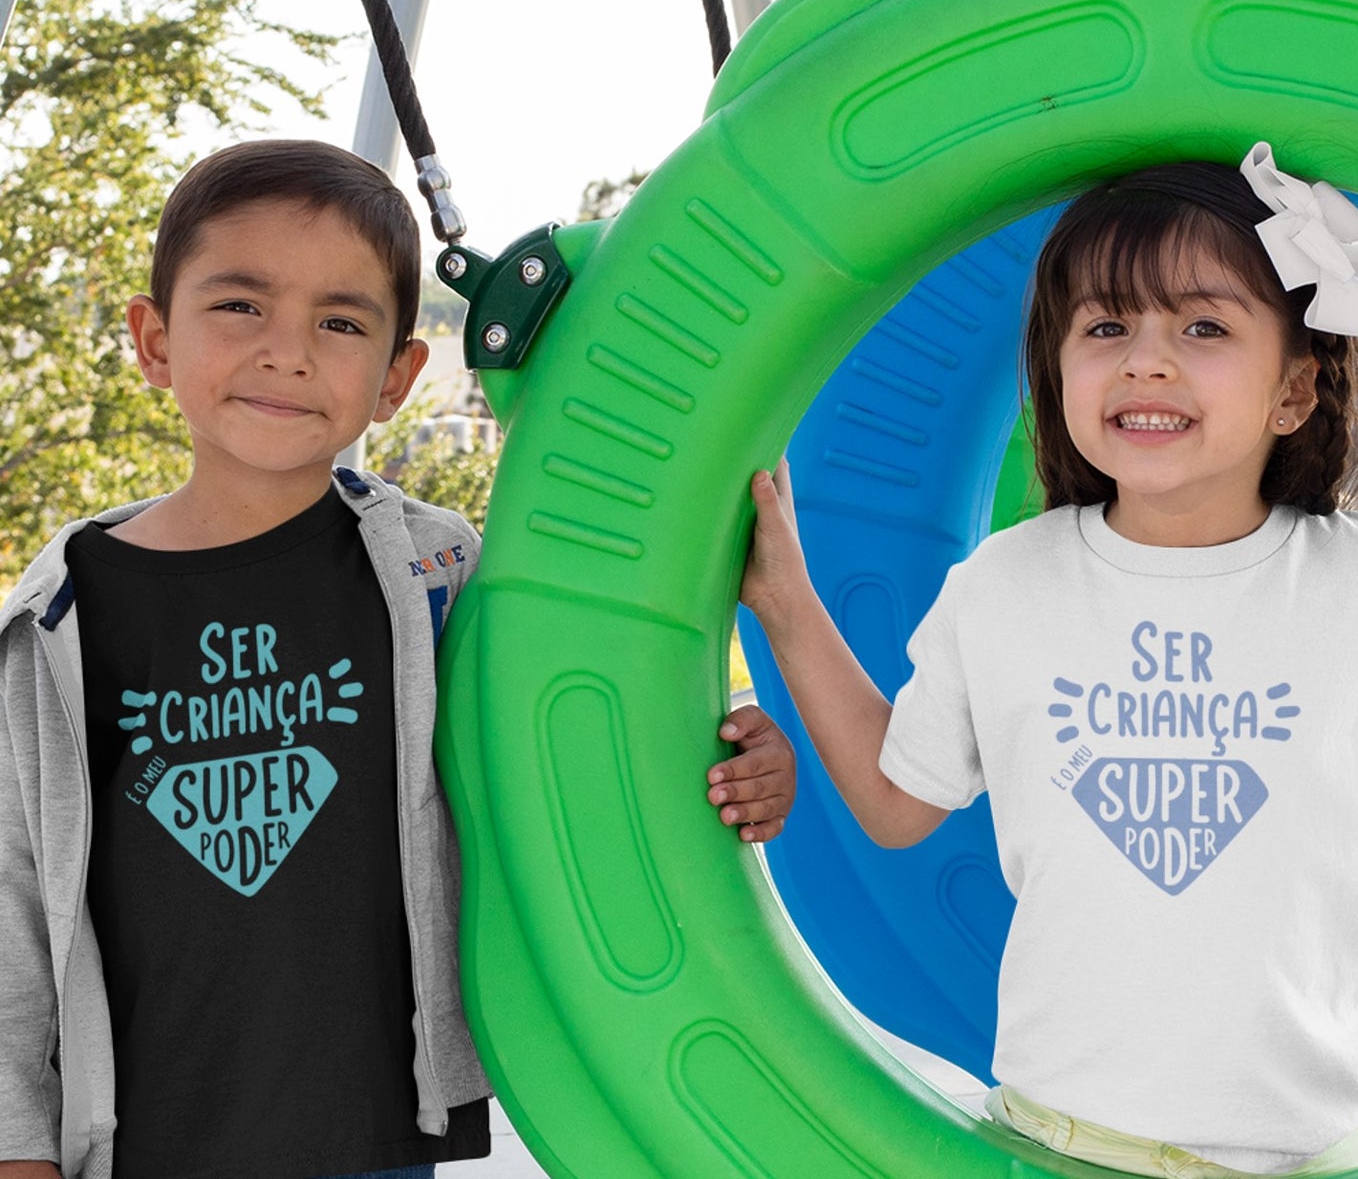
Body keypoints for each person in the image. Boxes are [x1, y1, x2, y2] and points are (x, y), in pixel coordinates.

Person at [0, 139, 796, 1179]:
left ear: (397, 374)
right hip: (147, 1137)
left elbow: (565, 748)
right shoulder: (60, 616)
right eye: (240, 306)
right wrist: (19, 1145)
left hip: (374, 1125)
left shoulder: (443, 573)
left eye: (339, 322)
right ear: (154, 340)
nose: (287, 351)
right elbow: (15, 901)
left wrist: (738, 763)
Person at [742, 141, 1358, 1179]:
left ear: (1292, 390)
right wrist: (787, 605)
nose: (1144, 358)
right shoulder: (1004, 586)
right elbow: (896, 805)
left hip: (1308, 1153)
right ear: (1055, 370)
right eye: (1104, 325)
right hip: (1057, 1145)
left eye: (1201, 326)